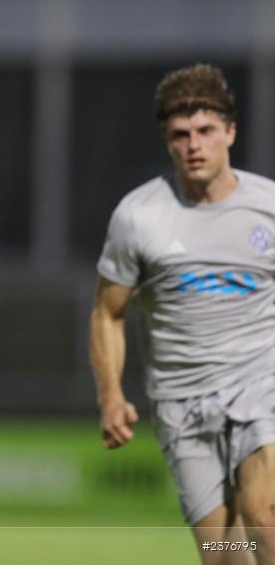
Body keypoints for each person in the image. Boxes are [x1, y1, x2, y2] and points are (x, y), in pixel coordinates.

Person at [90, 63, 275, 564]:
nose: (194, 144)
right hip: (182, 404)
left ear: (230, 133)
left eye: (206, 131)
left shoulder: (268, 208)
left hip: (261, 387)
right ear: (167, 140)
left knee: (264, 517)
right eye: (181, 134)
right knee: (224, 553)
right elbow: (108, 313)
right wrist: (111, 397)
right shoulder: (139, 216)